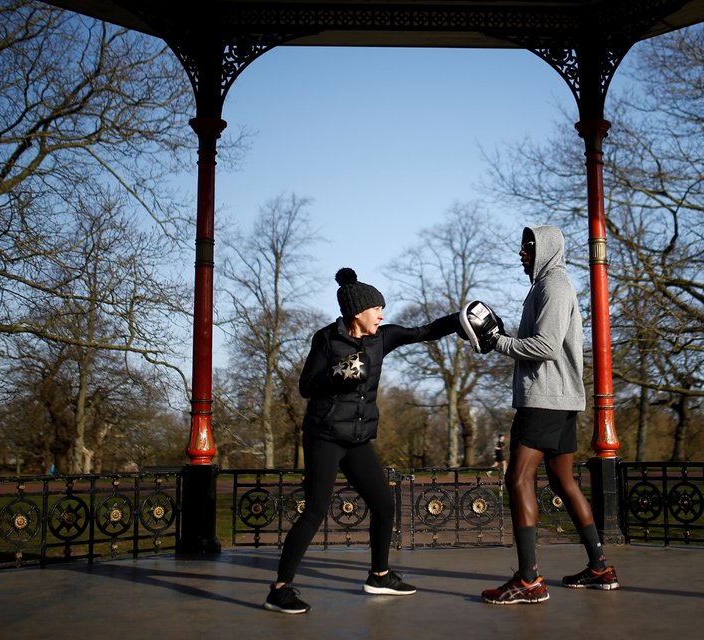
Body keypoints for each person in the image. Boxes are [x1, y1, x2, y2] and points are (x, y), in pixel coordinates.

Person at [264, 267, 460, 615]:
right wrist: (338, 373)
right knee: (314, 512)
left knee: (384, 504)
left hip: (358, 440)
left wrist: (461, 318)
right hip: (324, 437)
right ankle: (279, 590)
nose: (382, 314)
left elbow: (425, 331)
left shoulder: (382, 338)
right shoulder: (326, 339)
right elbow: (306, 386)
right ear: (358, 312)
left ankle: (380, 575)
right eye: (377, 309)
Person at [463, 225, 620, 605]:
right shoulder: (548, 286)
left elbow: (546, 347)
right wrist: (502, 337)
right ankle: (600, 567)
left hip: (544, 401)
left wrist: (495, 340)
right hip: (562, 401)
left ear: (546, 249)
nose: (522, 254)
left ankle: (529, 580)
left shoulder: (554, 286)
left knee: (518, 479)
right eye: (522, 247)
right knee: (565, 482)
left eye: (528, 248)